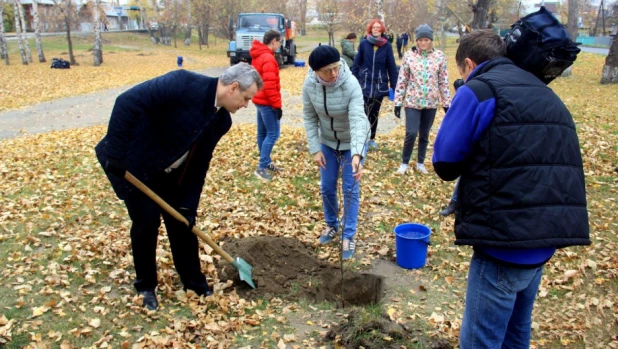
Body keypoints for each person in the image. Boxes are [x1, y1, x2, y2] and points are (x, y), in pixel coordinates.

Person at [432, 30, 590, 348]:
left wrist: (462, 102)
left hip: (503, 242)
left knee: (481, 340)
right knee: (516, 332)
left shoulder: (479, 89)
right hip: (544, 239)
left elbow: (445, 164)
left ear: (468, 63)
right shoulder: (542, 90)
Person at [95, 63, 263, 311]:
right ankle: (145, 286)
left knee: (183, 224)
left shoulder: (221, 122)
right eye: (246, 98)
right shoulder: (182, 84)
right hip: (133, 164)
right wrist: (117, 155)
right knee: (146, 222)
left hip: (171, 173)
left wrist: (188, 205)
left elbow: (198, 165)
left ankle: (194, 283)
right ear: (233, 87)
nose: (246, 105)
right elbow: (126, 103)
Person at [302, 45, 370, 260]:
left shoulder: (350, 84)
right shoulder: (309, 86)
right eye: (327, 70)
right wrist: (315, 149)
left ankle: (348, 235)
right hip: (328, 143)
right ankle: (332, 225)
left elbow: (358, 120)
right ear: (315, 71)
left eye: (336, 68)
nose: (333, 74)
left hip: (353, 142)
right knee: (327, 187)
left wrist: (357, 154)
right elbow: (310, 117)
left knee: (350, 190)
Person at [393, 24, 450, 175]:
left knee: (424, 133)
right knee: (411, 133)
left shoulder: (439, 57)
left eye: (426, 40)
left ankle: (420, 162)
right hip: (412, 101)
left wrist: (446, 103)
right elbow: (402, 79)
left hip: (431, 102)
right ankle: (404, 162)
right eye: (421, 40)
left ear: (431, 40)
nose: (423, 43)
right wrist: (398, 102)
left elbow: (443, 81)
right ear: (417, 41)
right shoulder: (409, 56)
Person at [351, 19, 398, 150]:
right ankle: (361, 138)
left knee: (374, 113)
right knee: (363, 112)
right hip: (364, 84)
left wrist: (395, 87)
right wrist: (353, 81)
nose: (376, 29)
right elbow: (356, 64)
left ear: (382, 30)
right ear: (370, 30)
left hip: (379, 86)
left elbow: (392, 68)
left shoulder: (387, 46)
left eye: (378, 27)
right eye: (373, 27)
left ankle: (371, 138)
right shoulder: (364, 44)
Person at [250, 30, 283, 181]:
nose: (280, 45)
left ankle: (266, 162)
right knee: (273, 133)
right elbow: (270, 85)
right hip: (267, 102)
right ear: (273, 41)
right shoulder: (268, 58)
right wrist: (277, 106)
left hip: (259, 100)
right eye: (279, 42)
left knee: (262, 133)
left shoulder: (259, 55)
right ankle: (262, 167)